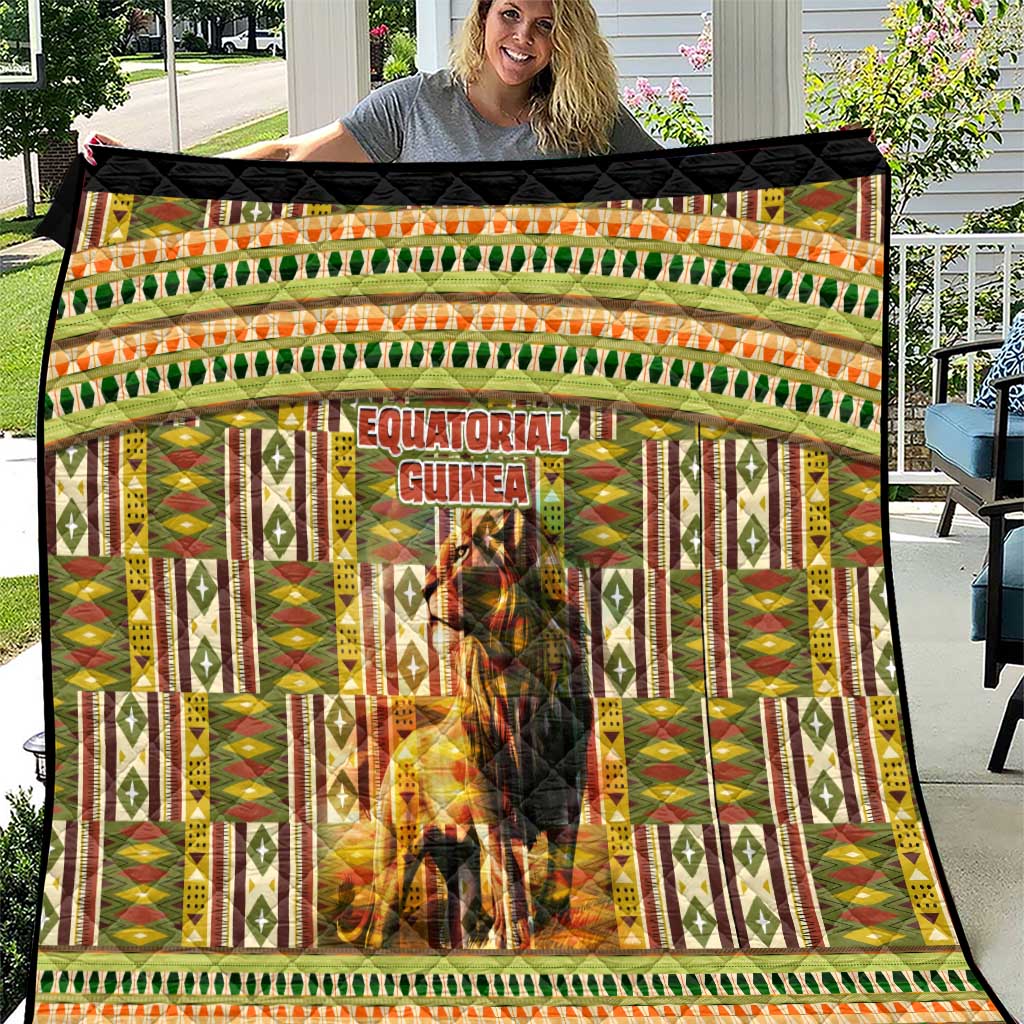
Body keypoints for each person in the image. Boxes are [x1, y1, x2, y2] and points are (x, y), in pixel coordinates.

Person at [82, 0, 662, 167]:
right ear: (483, 16)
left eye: (545, 25)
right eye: (510, 13)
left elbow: (684, 189)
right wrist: (151, 169)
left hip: (544, 358)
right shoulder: (415, 105)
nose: (522, 36)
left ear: (565, 38)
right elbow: (290, 154)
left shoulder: (589, 115)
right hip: (425, 349)